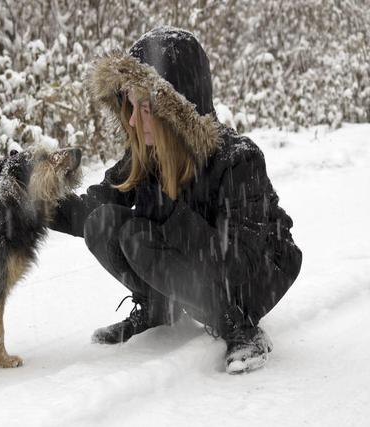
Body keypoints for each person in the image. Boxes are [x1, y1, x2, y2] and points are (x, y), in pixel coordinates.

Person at [50, 26, 302, 374]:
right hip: (207, 262)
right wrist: (33, 203)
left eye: (145, 107)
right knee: (103, 223)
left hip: (258, 274)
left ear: (176, 108)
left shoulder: (239, 159)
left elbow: (240, 262)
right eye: (130, 106)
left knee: (139, 235)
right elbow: (92, 208)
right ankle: (159, 310)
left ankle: (239, 327)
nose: (134, 119)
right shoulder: (147, 153)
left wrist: (171, 214)